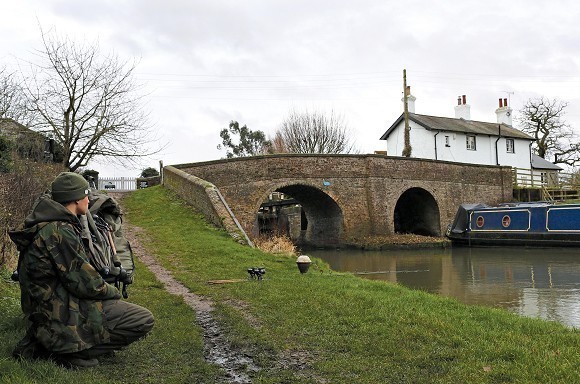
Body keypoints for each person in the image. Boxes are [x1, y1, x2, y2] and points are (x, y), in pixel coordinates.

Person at [9, 172, 154, 368]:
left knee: (117, 310)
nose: (88, 199)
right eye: (86, 195)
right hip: (56, 311)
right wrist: (112, 293)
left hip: (47, 307)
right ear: (76, 199)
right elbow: (86, 284)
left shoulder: (51, 225)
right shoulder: (59, 231)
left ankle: (57, 344)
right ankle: (64, 351)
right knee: (142, 319)